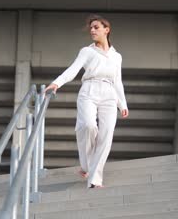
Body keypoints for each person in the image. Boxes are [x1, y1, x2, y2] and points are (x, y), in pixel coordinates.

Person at [44, 14, 129, 188]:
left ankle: (94, 179)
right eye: (91, 28)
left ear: (107, 29)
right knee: (87, 126)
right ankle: (86, 165)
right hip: (89, 90)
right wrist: (56, 83)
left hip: (109, 94)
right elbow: (73, 70)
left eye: (96, 27)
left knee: (106, 136)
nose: (92, 30)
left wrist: (123, 104)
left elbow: (117, 80)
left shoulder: (117, 56)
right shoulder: (87, 51)